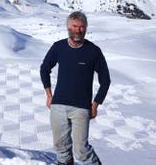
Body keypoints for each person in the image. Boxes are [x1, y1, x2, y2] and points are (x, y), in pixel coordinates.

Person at [40, 11, 111, 165]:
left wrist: (95, 104)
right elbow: (44, 69)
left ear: (86, 28)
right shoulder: (58, 47)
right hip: (58, 105)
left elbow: (105, 80)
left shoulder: (94, 51)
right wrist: (49, 95)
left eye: (82, 27)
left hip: (81, 108)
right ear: (68, 26)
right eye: (75, 26)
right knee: (61, 146)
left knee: (81, 150)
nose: (78, 30)